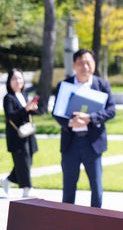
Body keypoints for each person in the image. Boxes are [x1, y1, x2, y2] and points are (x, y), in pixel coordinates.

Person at [52, 49, 116, 208]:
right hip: (70, 144)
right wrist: (69, 123)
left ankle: (96, 224)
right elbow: (56, 111)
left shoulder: (101, 85)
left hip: (92, 143)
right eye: (81, 63)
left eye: (88, 62)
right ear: (74, 65)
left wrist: (90, 119)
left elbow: (111, 110)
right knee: (68, 187)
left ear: (94, 64)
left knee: (96, 186)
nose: (85, 66)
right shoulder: (64, 85)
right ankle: (67, 224)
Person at [2, 69, 39, 198]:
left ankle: (8, 180)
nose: (18, 81)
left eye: (20, 78)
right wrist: (25, 109)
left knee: (27, 161)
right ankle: (27, 188)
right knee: (23, 161)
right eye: (14, 79)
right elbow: (11, 116)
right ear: (9, 82)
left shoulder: (23, 95)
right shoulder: (8, 98)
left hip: (28, 133)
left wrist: (32, 109)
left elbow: (26, 114)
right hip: (16, 135)